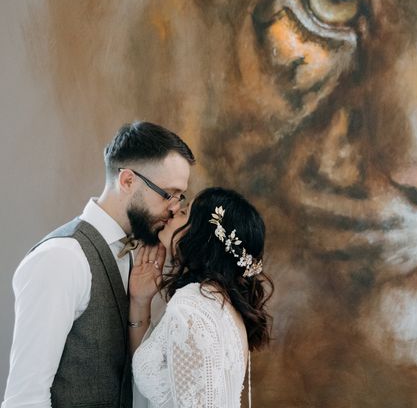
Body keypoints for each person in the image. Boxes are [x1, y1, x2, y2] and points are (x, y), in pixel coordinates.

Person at [2, 121, 195, 408]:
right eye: (169, 194)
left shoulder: (133, 254)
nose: (175, 207)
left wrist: (140, 304)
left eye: (181, 196)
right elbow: (25, 399)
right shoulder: (61, 258)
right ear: (128, 181)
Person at [129, 187, 273, 408]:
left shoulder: (191, 307)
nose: (174, 211)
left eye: (185, 213)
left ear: (204, 236)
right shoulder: (221, 304)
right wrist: (140, 301)